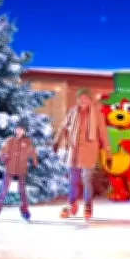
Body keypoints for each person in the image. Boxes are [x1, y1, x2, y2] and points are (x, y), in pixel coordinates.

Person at [53, 89, 111, 221]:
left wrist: (108, 153)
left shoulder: (97, 114)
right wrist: (56, 141)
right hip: (74, 150)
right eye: (81, 98)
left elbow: (103, 134)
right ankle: (71, 205)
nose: (83, 100)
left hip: (90, 151)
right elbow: (63, 127)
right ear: (78, 100)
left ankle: (88, 206)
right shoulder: (72, 112)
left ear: (90, 100)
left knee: (86, 179)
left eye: (86, 98)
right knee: (73, 180)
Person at [0, 123, 38, 222]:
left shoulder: (27, 141)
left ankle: (24, 211)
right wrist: (4, 157)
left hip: (21, 169)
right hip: (9, 169)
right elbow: (2, 152)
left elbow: (32, 152)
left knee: (22, 191)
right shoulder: (10, 140)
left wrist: (35, 162)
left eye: (21, 130)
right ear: (15, 130)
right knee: (4, 190)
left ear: (24, 131)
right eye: (17, 129)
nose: (19, 131)